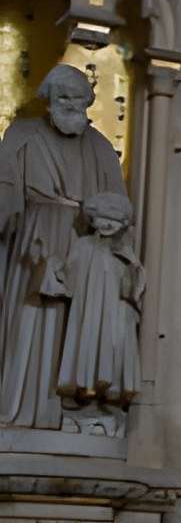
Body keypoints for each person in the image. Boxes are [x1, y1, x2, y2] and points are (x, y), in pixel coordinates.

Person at [0, 64, 134, 430]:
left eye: (79, 98)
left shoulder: (100, 146)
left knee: (75, 326)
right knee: (29, 320)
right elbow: (5, 187)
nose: (72, 105)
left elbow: (119, 207)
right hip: (32, 238)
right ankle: (18, 405)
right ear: (49, 99)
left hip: (84, 247)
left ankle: (69, 406)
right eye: (64, 98)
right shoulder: (22, 135)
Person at [55, 190, 140, 427]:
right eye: (100, 219)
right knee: (88, 350)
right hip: (89, 312)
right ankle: (85, 397)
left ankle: (109, 400)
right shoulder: (82, 245)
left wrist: (131, 270)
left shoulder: (124, 249)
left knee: (111, 352)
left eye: (112, 220)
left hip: (114, 313)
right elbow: (69, 276)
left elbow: (133, 283)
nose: (105, 224)